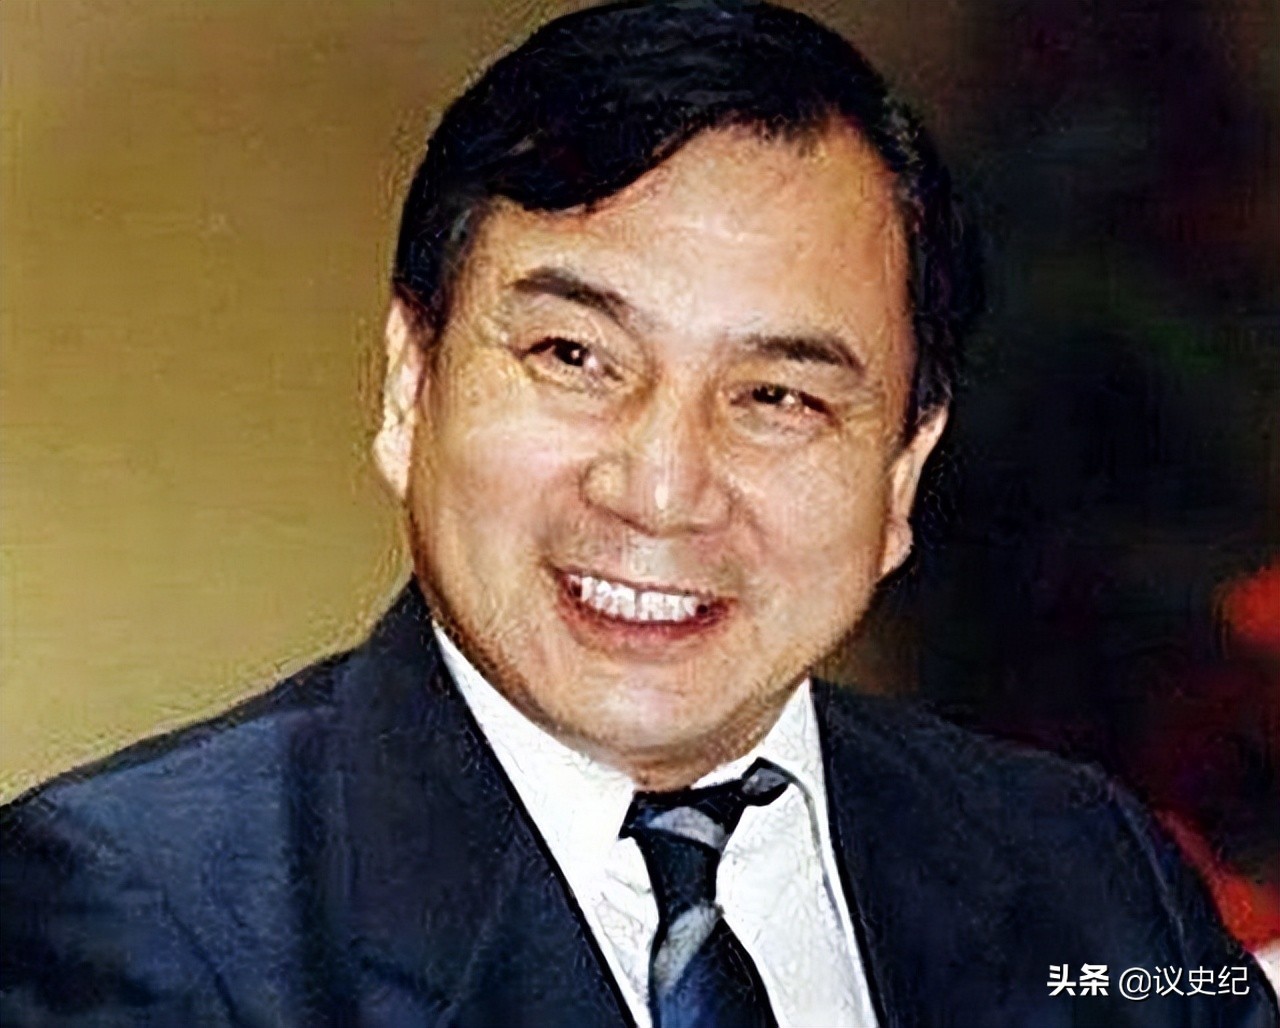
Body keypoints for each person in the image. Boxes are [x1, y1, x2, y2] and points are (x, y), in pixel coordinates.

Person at [1, 1, 1275, 1025]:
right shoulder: (122, 912)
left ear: (900, 473)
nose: (661, 488)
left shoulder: (1090, 878)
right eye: (574, 357)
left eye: (776, 396)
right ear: (408, 384)